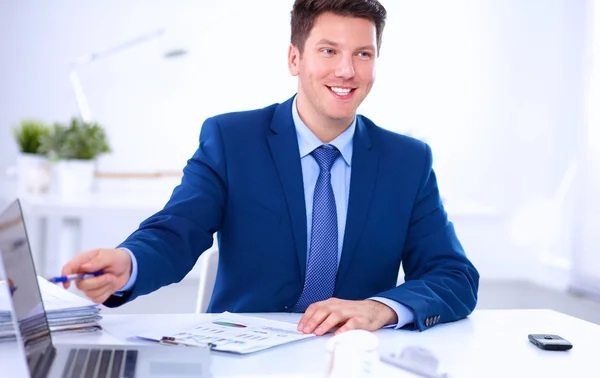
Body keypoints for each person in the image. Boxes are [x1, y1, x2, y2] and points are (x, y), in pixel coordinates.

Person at [61, 0, 479, 335]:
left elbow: (454, 275)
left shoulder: (407, 160)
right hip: (241, 355)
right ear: (295, 58)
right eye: (329, 50)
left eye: (363, 54)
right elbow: (177, 232)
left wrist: (381, 309)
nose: (347, 70)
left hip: (355, 363)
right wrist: (129, 263)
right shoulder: (231, 139)